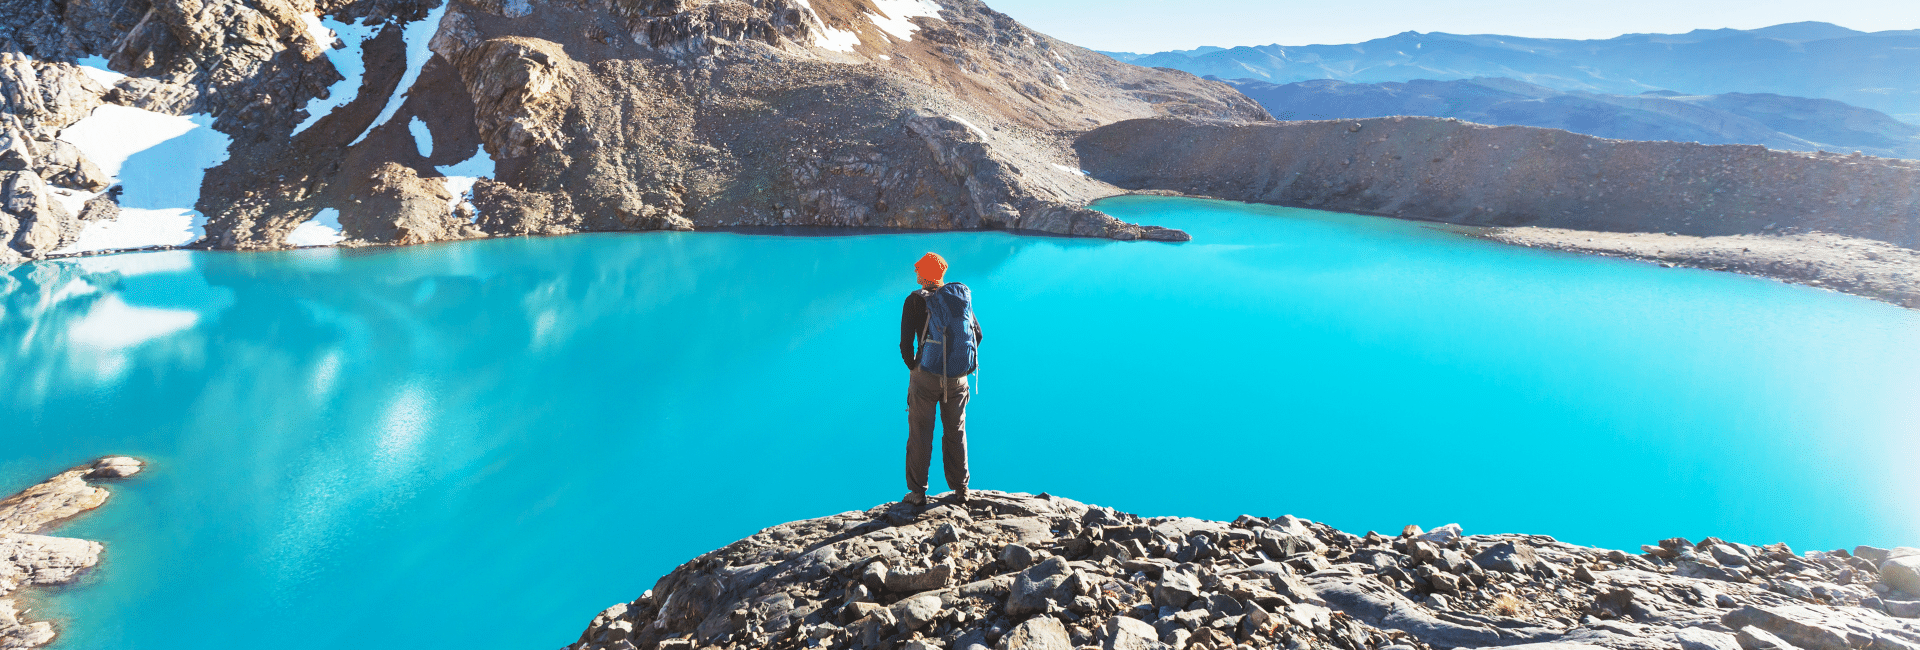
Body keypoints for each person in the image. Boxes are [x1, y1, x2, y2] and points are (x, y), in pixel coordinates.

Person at [899, 252, 982, 506]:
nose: (915, 272)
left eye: (918, 269)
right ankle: (961, 489)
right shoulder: (957, 299)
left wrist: (915, 367)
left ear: (926, 274)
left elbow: (905, 345)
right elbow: (977, 335)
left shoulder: (914, 301)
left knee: (921, 433)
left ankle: (917, 493)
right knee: (955, 431)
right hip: (958, 379)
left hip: (926, 377)